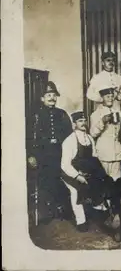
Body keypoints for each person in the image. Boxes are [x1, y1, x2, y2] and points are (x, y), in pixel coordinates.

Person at [60, 111, 115, 232]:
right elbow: (65, 165)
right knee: (76, 190)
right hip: (69, 173)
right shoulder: (69, 141)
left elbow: (94, 158)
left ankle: (103, 215)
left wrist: (101, 176)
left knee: (104, 183)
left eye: (84, 121)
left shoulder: (89, 138)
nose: (83, 123)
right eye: (80, 121)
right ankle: (81, 221)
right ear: (74, 124)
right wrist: (78, 176)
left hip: (86, 172)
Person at [27, 81, 73, 223]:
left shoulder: (62, 114)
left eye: (53, 95)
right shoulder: (36, 115)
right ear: (42, 98)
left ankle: (63, 210)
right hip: (43, 156)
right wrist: (31, 155)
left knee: (62, 181)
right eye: (48, 95)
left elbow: (70, 136)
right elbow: (30, 137)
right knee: (44, 183)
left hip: (60, 154)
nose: (52, 97)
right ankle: (47, 212)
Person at [89, 87, 121, 181]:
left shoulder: (117, 112)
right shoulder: (96, 114)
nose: (110, 99)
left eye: (112, 96)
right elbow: (92, 134)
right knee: (104, 182)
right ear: (102, 98)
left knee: (117, 181)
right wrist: (102, 122)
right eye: (107, 96)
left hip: (116, 153)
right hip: (104, 153)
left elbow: (120, 132)